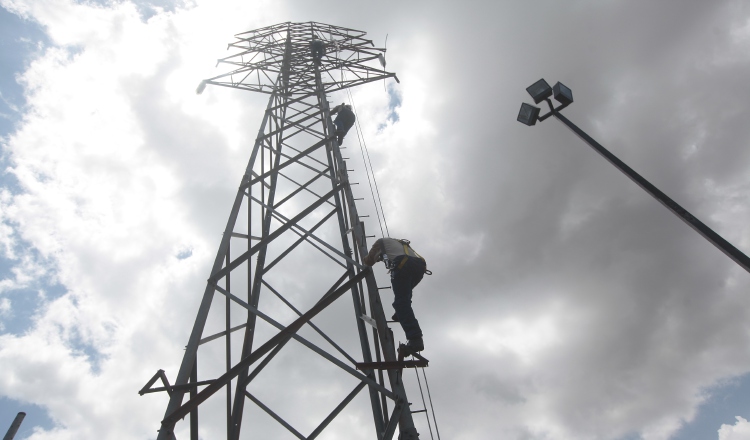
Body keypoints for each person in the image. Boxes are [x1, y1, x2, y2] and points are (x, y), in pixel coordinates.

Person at [363, 237, 429, 354]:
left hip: (402, 264)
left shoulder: (380, 242)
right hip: (419, 267)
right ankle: (400, 313)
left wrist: (368, 258)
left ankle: (415, 339)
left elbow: (368, 261)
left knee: (401, 303)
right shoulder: (401, 243)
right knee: (404, 297)